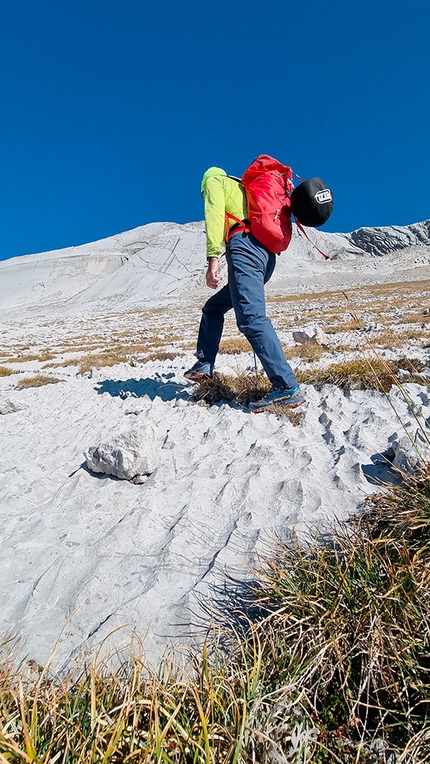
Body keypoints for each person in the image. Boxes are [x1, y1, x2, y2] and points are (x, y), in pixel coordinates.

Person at [184, 166, 305, 413]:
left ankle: (287, 388)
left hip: (245, 248)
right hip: (266, 256)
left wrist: (213, 260)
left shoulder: (214, 182)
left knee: (251, 318)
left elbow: (215, 216)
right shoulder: (243, 188)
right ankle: (204, 364)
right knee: (213, 307)